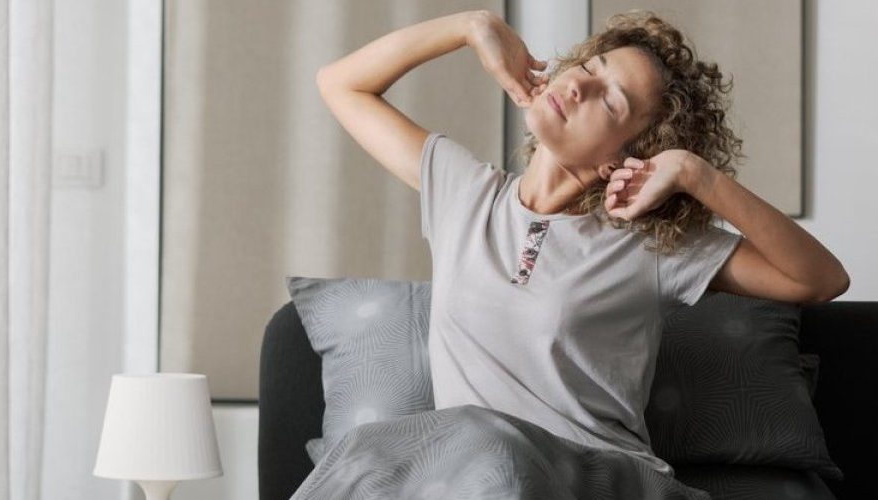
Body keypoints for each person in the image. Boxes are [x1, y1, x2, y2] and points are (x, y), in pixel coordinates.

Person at [315, 7, 848, 486]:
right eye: (591, 68)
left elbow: (820, 279)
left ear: (623, 157)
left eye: (610, 101)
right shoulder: (463, 192)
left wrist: (694, 174)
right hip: (473, 477)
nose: (579, 86)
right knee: (377, 454)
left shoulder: (651, 246)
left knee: (480, 443)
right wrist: (471, 26)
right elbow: (341, 85)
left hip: (596, 480)